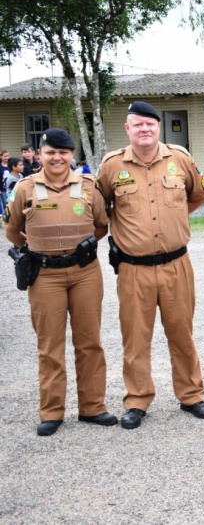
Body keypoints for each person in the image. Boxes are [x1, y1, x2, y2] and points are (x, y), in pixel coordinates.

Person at [96, 101, 204, 430]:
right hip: (133, 269)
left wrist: (173, 218)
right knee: (135, 336)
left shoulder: (180, 158)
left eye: (150, 124)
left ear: (158, 128)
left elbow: (199, 194)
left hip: (176, 263)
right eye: (138, 124)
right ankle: (137, 399)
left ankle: (191, 394)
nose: (145, 129)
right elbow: (100, 206)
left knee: (182, 333)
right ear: (128, 129)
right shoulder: (110, 166)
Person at [3, 129, 115, 436]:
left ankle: (93, 407)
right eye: (51, 152)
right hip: (45, 275)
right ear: (40, 154)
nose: (57, 158)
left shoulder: (89, 187)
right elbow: (12, 231)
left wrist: (86, 244)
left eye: (63, 152)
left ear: (71, 156)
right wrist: (36, 246)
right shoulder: (25, 188)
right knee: (49, 345)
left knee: (89, 342)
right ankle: (51, 412)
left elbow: (101, 226)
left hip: (84, 272)